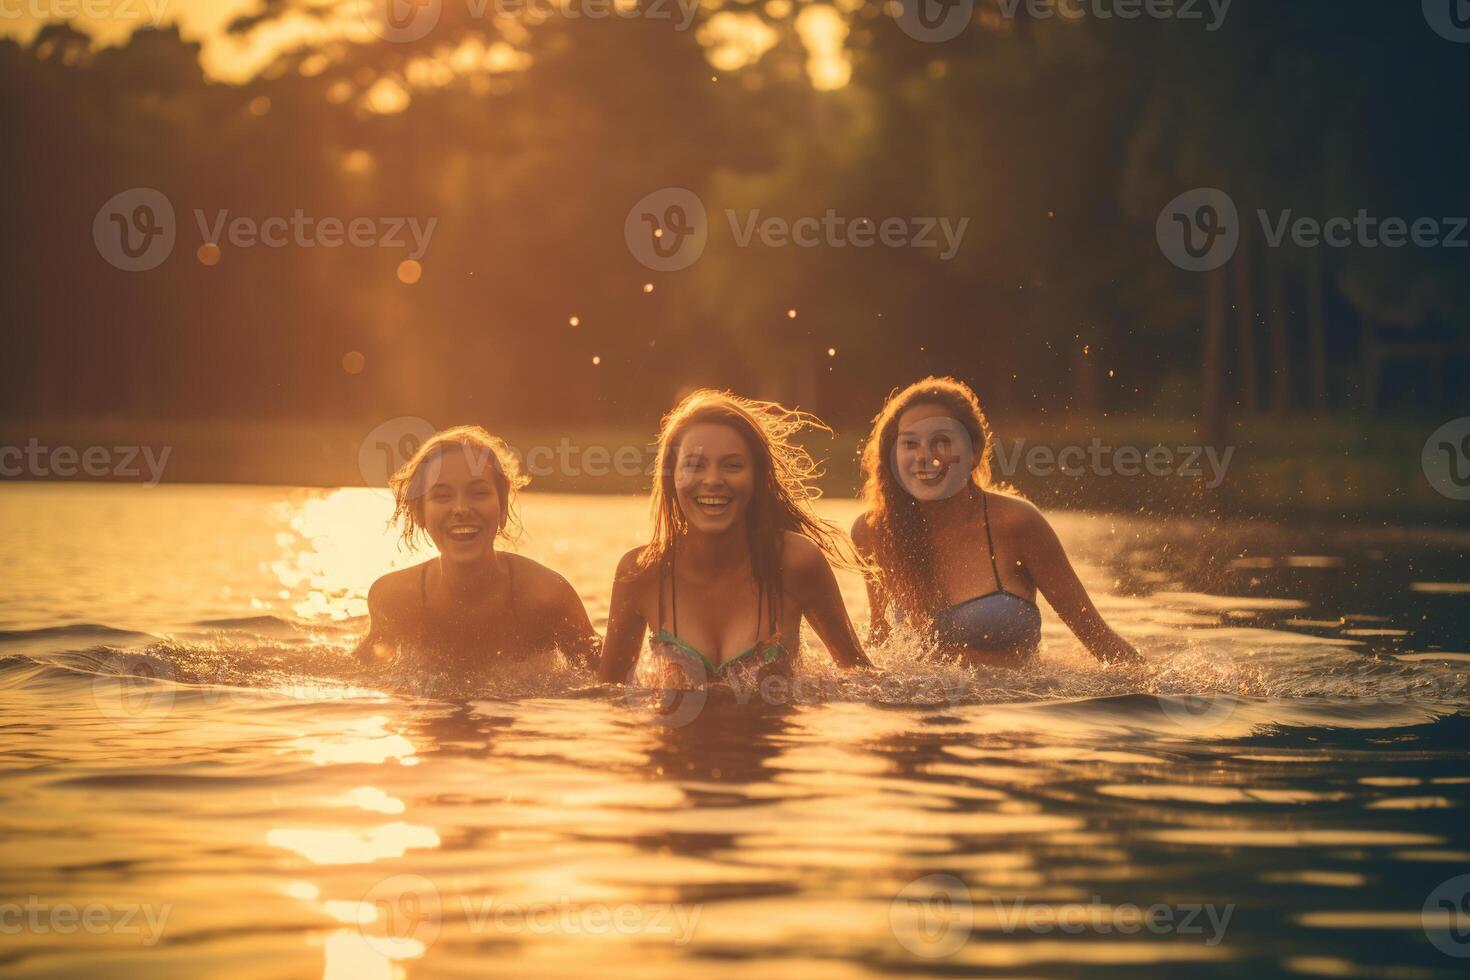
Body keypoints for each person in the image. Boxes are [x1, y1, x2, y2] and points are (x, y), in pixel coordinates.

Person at [852, 377, 1141, 666]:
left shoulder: (1017, 523)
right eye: (910, 444)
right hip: (915, 708)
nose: (924, 456)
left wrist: (1161, 696)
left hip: (1015, 706)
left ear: (974, 452)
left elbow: (1100, 641)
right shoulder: (874, 531)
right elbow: (880, 644)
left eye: (941, 442)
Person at [599, 390, 872, 689]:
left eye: (732, 465)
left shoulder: (795, 561)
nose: (713, 480)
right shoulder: (639, 572)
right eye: (695, 465)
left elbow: (862, 679)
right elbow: (609, 696)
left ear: (757, 478)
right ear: (671, 477)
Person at [355, 425, 598, 669]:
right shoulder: (395, 599)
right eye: (442, 496)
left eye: (478, 493)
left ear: (502, 509)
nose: (461, 509)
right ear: (420, 513)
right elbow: (358, 675)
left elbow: (611, 682)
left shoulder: (546, 596)